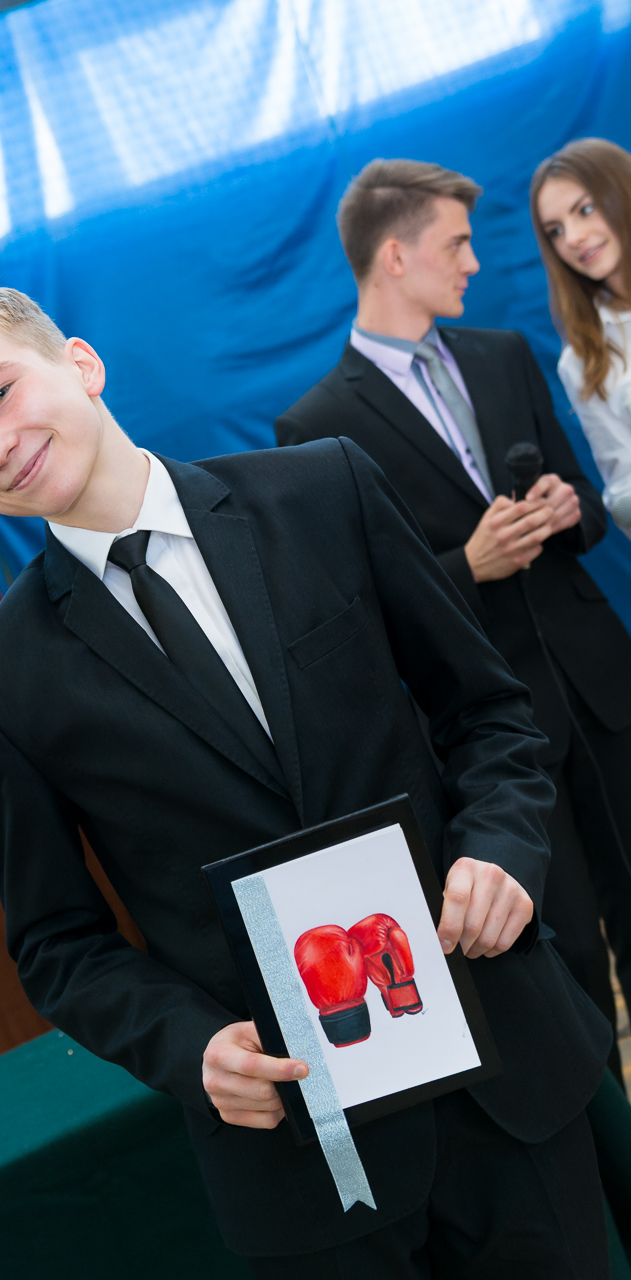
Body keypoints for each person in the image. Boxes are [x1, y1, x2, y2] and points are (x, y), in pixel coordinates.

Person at [0, 282, 611, 1277]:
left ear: (81, 364)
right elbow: (56, 942)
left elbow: (484, 711)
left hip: (502, 1060)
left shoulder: (323, 490)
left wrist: (499, 846)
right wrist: (190, 1047)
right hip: (306, 1161)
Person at [275, 159, 631, 1086]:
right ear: (395, 256)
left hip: (604, 686)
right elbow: (356, 618)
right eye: (457, 243)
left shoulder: (504, 353)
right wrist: (465, 565)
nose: (474, 261)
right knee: (568, 968)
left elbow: (588, 508)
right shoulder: (315, 428)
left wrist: (567, 509)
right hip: (497, 741)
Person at [531, 137, 631, 539]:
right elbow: (623, 492)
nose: (572, 238)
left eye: (585, 210)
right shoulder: (583, 360)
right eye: (555, 231)